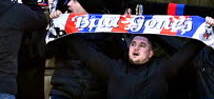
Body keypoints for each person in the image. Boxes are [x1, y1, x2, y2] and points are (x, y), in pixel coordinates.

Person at [66, 34, 204, 99]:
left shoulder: (161, 69)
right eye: (133, 44)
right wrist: (63, 29)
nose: (136, 48)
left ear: (151, 53)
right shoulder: (115, 68)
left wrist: (204, 31)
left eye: (142, 45)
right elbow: (87, 53)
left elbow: (185, 53)